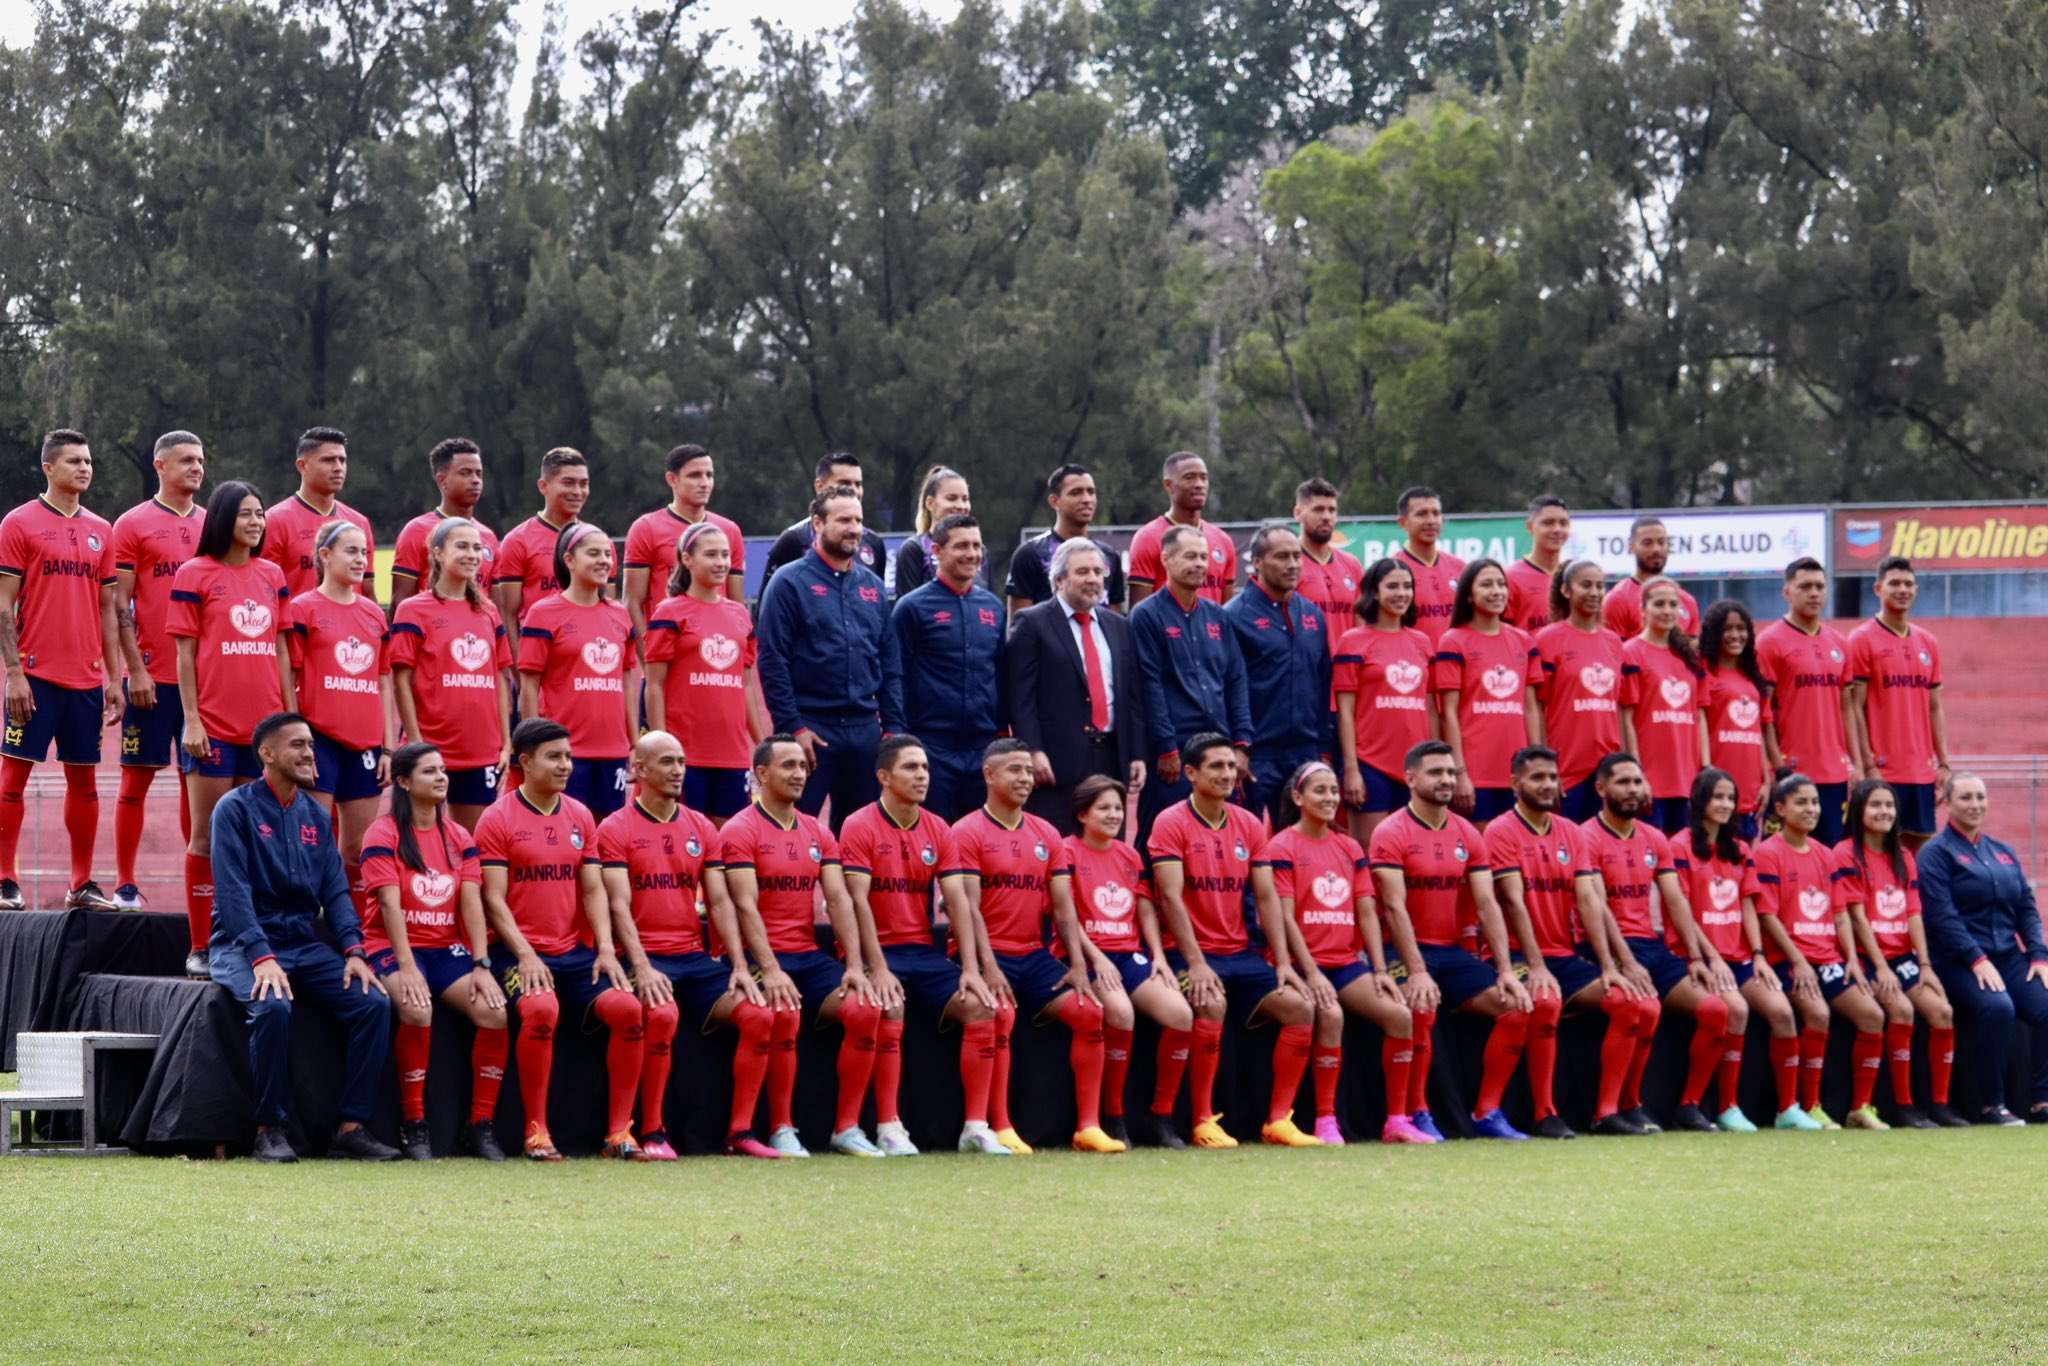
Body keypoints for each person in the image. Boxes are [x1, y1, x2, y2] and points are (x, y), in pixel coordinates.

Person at [207, 711, 397, 1162]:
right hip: (242, 944)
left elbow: (335, 889)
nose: (309, 752)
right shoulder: (233, 809)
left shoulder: (315, 813)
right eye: (297, 745)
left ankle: (351, 1126)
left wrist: (353, 950)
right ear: (267, 754)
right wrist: (260, 956)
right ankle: (268, 1127)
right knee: (273, 1007)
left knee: (373, 1003)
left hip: (303, 943)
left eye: (310, 744)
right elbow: (232, 897)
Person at [476, 718, 659, 1162]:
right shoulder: (496, 818)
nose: (566, 765)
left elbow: (593, 889)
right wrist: (524, 954)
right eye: (555, 757)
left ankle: (619, 1132)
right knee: (541, 1008)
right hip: (514, 953)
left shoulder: (579, 816)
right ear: (524, 761)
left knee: (629, 1009)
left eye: (569, 756)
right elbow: (493, 900)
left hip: (573, 953)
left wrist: (604, 949)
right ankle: (537, 1131)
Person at [720, 735, 906, 1158]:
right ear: (762, 774)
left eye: (803, 766)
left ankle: (846, 1128)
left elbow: (839, 900)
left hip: (806, 953)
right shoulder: (739, 829)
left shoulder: (817, 831)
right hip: (759, 956)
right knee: (783, 1012)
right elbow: (743, 905)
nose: (799, 774)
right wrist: (768, 968)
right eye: (788, 766)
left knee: (866, 1008)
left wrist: (855, 965)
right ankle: (782, 1128)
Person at [831, 736, 1009, 1156]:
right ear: (884, 776)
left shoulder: (938, 828)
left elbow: (961, 902)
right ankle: (890, 1126)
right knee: (888, 1006)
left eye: (925, 768)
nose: (922, 776)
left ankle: (975, 1128)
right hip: (879, 951)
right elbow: (856, 902)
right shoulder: (858, 825)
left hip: (923, 952)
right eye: (911, 768)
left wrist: (970, 968)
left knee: (982, 1007)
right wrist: (876, 968)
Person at [954, 740, 1129, 1153]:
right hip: (988, 954)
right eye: (1014, 770)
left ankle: (1088, 1127)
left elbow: (1064, 909)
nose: (1024, 779)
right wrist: (987, 966)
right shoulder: (965, 831)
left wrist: (1079, 965)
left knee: (1090, 1013)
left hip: (1034, 956)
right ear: (988, 774)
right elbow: (969, 908)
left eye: (1029, 771)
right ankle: (999, 1126)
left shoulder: (1046, 833)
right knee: (1000, 1014)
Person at [597, 731, 763, 1161]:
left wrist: (739, 966)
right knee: (663, 1014)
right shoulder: (614, 828)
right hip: (643, 958)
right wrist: (643, 967)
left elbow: (721, 901)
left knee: (761, 1017)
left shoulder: (700, 826)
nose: (677, 770)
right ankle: (651, 1129)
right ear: (639, 770)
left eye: (682, 762)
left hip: (693, 958)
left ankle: (740, 1133)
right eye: (667, 761)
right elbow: (617, 904)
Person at [1148, 734, 1318, 1147]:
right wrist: (1195, 962)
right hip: (1187, 955)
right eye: (1216, 767)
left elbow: (1266, 896)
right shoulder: (1170, 821)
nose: (1228, 774)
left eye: (1231, 766)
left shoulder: (1246, 822)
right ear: (1190, 773)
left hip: (1241, 953)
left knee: (1301, 1007)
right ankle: (1203, 1120)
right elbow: (1169, 896)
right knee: (1211, 1001)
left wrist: (1281, 961)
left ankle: (1278, 1121)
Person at [1368, 739, 1536, 1141]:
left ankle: (1487, 1112)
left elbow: (1487, 905)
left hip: (1449, 952)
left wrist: (1505, 970)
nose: (1446, 780)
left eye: (1452, 773)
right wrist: (1417, 971)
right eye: (1436, 772)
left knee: (1517, 1005)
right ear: (1410, 779)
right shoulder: (1389, 832)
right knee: (1421, 1006)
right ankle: (1417, 1112)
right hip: (1402, 950)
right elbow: (1393, 907)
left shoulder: (1466, 833)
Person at [1581, 752, 1748, 1134]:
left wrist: (1695, 957)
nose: (1633, 790)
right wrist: (1624, 961)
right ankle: (1612, 1110)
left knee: (1715, 1010)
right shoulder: (1585, 836)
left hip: (1652, 948)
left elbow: (1676, 901)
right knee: (1648, 1009)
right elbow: (1596, 905)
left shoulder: (1654, 837)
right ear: (1601, 788)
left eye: (1638, 782)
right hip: (1605, 945)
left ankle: (1689, 1107)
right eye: (1623, 782)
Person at [1256, 762, 1422, 1145]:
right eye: (1320, 791)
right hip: (1301, 966)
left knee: (1399, 1015)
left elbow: (1366, 911)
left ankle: (1396, 1121)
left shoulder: (1349, 846)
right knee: (1329, 1014)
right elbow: (1284, 917)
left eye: (1334, 790)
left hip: (1346, 964)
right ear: (1298, 797)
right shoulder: (1282, 846)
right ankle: (1325, 1120)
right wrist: (1311, 972)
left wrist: (1379, 969)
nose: (1330, 798)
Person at [1485, 746, 1646, 1139]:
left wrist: (1610, 966)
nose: (1547, 785)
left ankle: (1607, 1113)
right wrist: (1536, 965)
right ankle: (1543, 1113)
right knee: (1544, 1001)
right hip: (1516, 955)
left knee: (1633, 1004)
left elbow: (1591, 900)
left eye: (1553, 778)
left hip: (1564, 956)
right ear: (1514, 783)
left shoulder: (1570, 832)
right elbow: (1512, 899)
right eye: (1537, 777)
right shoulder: (1499, 830)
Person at [360, 742, 509, 1162]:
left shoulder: (460, 836)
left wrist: (481, 964)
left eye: (443, 770)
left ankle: (480, 1125)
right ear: (403, 782)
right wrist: (407, 968)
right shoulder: (383, 832)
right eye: (430, 772)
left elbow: (471, 902)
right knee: (418, 1009)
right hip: (391, 946)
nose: (442, 777)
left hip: (445, 950)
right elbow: (388, 905)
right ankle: (414, 1123)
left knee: (495, 1012)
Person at [169, 481, 294, 977]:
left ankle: (248, 943)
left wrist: (289, 718)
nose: (257, 522)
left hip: (262, 734)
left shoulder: (272, 575)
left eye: (260, 514)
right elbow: (183, 656)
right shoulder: (193, 574)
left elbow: (282, 650)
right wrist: (193, 719)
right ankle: (200, 946)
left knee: (255, 842)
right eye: (246, 514)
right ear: (223, 518)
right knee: (206, 839)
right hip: (213, 730)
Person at [0, 428, 122, 912]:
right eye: (74, 461)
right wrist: (13, 672)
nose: (84, 468)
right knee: (13, 778)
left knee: (85, 781)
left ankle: (81, 884)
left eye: (88, 461)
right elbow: (3, 605)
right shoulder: (19, 524)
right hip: (34, 676)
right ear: (48, 468)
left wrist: (114, 678)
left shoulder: (102, 530)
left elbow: (109, 608)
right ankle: (5, 878)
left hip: (87, 681)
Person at [1063, 775, 1195, 1149]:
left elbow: (1145, 910)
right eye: (1104, 808)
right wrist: (1096, 957)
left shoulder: (1129, 855)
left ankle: (1162, 1116)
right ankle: (1113, 1116)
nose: (1114, 815)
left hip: (1129, 954)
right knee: (1120, 1013)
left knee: (1180, 1015)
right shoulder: (1067, 851)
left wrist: (1158, 958)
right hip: (1089, 955)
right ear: (1082, 814)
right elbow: (1065, 915)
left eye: (1119, 808)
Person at [1752, 769, 1886, 1130]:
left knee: (1873, 1015)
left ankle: (1861, 1108)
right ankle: (1803, 1108)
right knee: (1818, 1014)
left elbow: (1840, 914)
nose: (1811, 809)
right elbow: (1766, 915)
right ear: (1779, 809)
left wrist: (1853, 961)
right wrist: (1797, 960)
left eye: (1814, 802)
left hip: (1828, 958)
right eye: (1801, 802)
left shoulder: (1827, 855)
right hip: (1788, 959)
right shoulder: (1767, 853)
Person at [755, 484, 890, 831]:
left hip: (864, 732)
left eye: (858, 520)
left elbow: (890, 665)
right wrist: (793, 727)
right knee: (791, 835)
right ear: (817, 523)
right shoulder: (788, 583)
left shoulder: (873, 587)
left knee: (861, 842)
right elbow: (773, 661)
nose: (854, 528)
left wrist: (893, 730)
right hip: (810, 728)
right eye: (843, 519)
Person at [1673, 767, 1802, 1131]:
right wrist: (1710, 957)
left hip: (1740, 958)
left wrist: (1758, 954)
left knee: (1782, 1013)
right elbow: (1680, 908)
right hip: (1696, 957)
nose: (1725, 804)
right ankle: (1726, 1107)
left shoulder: (1741, 849)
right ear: (1699, 801)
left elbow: (1748, 904)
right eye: (1717, 796)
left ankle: (1787, 1109)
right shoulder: (1679, 846)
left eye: (1730, 797)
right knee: (1737, 1010)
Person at [1917, 772, 2048, 1126]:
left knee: (2045, 1005)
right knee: (1998, 1007)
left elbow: (2026, 907)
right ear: (1947, 803)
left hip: (2006, 957)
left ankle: (2041, 1101)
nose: (1975, 805)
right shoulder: (1935, 853)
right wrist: (1975, 958)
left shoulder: (2002, 852)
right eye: (1966, 798)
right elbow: (1942, 916)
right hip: (1956, 960)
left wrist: (2038, 955)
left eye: (1980, 797)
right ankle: (1992, 1105)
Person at [110, 430, 206, 908]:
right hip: (152, 678)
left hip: (204, 685)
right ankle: (126, 884)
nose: (197, 468)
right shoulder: (132, 524)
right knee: (135, 781)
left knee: (200, 790)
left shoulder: (214, 524)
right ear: (160, 465)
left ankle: (204, 891)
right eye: (187, 459)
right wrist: (135, 670)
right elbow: (119, 604)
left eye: (201, 460)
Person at [1837, 778, 1961, 1129]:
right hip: (1866, 957)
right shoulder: (1845, 853)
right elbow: (1856, 916)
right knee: (1901, 1009)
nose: (1884, 812)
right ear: (1859, 810)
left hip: (1902, 958)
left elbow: (1913, 914)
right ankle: (1902, 1106)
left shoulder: (1904, 855)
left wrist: (1925, 964)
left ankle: (1939, 1105)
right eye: (1876, 805)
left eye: (1889, 806)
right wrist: (1879, 967)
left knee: (1941, 1011)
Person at [1005, 539, 1146, 833]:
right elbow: (1020, 696)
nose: (1093, 579)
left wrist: (1136, 754)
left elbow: (1131, 697)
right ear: (1058, 580)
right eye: (1082, 572)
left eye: (1098, 572)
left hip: (1111, 756)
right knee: (1057, 843)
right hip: (1056, 762)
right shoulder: (1032, 623)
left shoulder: (1119, 625)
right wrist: (1032, 750)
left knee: (1107, 844)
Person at [285, 521, 394, 894]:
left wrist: (387, 747)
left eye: (364, 552)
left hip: (365, 745)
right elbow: (290, 675)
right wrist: (296, 739)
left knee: (356, 849)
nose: (361, 559)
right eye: (351, 551)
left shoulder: (374, 614)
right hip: (320, 740)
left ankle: (356, 934)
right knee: (312, 843)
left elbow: (382, 680)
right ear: (325, 555)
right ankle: (310, 927)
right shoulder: (303, 610)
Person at [390, 518, 515, 835]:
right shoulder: (414, 610)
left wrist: (504, 743)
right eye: (461, 546)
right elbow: (401, 679)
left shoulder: (488, 612)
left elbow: (501, 677)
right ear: (437, 554)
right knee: (425, 844)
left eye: (477, 548)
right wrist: (416, 741)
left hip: (480, 750)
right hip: (431, 749)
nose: (472, 554)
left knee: (473, 846)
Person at [1130, 524, 1250, 839]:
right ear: (1166, 559)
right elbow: (1149, 684)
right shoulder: (1146, 615)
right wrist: (1166, 747)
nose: (1199, 564)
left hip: (1217, 744)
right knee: (1162, 835)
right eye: (1190, 556)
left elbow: (1236, 680)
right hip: (1175, 751)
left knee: (1215, 835)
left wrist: (1241, 743)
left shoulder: (1218, 616)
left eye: (1203, 557)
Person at [884, 514, 1006, 821]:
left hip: (982, 747)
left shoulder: (993, 607)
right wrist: (897, 732)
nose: (972, 554)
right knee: (931, 838)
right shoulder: (911, 608)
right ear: (936, 551)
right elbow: (895, 675)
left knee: (978, 842)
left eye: (977, 546)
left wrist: (1002, 730)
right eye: (961, 545)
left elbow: (1001, 673)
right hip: (931, 746)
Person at [643, 522, 765, 824]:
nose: (721, 562)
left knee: (727, 847)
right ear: (687, 559)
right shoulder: (669, 612)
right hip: (685, 755)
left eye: (725, 555)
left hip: (732, 755)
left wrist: (762, 744)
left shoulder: (739, 616)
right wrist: (661, 745)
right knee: (686, 841)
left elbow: (746, 685)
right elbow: (654, 684)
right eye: (711, 555)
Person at [517, 524, 637, 820]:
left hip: (613, 753)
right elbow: (529, 686)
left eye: (608, 554)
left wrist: (633, 744)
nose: (604, 561)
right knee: (564, 835)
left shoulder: (620, 615)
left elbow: (627, 683)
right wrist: (534, 745)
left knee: (608, 839)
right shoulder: (543, 614)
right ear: (569, 560)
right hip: (565, 753)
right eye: (593, 553)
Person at [1223, 524, 1334, 824]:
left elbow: (1323, 684)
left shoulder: (1312, 615)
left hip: (1305, 750)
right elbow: (1228, 689)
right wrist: (1239, 747)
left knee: (1304, 840)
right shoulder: (1233, 615)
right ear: (1257, 562)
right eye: (1282, 557)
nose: (1293, 564)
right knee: (1250, 839)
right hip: (1258, 754)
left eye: (1297, 557)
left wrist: (1323, 746)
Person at [1757, 558, 1861, 845]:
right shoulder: (1769, 643)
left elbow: (1846, 707)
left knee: (1831, 857)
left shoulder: (1840, 643)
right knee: (1781, 859)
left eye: (1819, 586)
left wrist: (1856, 764)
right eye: (1805, 586)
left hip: (1834, 774)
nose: (1814, 593)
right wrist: (1777, 766)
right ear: (1787, 592)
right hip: (1790, 773)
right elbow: (1762, 713)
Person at [1846, 557, 1949, 850]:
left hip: (1921, 771)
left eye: (1907, 584)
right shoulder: (1862, 639)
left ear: (1916, 590)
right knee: (1878, 849)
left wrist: (1943, 763)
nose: (1902, 589)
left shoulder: (1927, 642)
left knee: (1920, 851)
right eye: (1894, 583)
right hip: (1883, 770)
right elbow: (1855, 708)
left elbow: (1934, 707)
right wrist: (1867, 764)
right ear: (1878, 588)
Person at [1333, 557, 1436, 845]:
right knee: (1372, 855)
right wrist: (1351, 769)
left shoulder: (1422, 642)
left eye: (1407, 586)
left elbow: (1430, 707)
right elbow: (1345, 710)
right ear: (1374, 592)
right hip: (1370, 764)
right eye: (1392, 586)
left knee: (1416, 854)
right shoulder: (1352, 641)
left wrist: (1439, 759)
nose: (1401, 593)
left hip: (1417, 766)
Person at [1434, 558, 1538, 823]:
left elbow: (1530, 708)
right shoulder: (1453, 641)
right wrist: (1459, 772)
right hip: (1476, 772)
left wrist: (1536, 765)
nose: (1497, 591)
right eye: (1487, 585)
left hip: (1517, 772)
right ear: (1469, 595)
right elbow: (1449, 713)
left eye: (1501, 584)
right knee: (1481, 855)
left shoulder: (1523, 641)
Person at [622, 445, 745, 659]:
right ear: (672, 479)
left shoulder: (730, 530)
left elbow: (736, 603)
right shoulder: (646, 528)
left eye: (709, 475)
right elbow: (632, 602)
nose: (705, 483)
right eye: (695, 475)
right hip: (669, 655)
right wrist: (650, 660)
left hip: (717, 655)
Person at [1532, 559, 1624, 821]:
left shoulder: (1614, 642)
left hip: (1607, 771)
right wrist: (1546, 766)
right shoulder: (1548, 639)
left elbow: (1617, 706)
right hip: (1566, 769)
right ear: (1566, 590)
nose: (1595, 592)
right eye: (1586, 585)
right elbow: (1538, 706)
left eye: (1599, 586)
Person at [1618, 577, 1708, 834]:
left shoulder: (1691, 657)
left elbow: (1699, 714)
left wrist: (1704, 767)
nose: (1667, 611)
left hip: (1686, 779)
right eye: (1659, 604)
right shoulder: (1631, 652)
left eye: (1673, 605)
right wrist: (1636, 772)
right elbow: (1626, 716)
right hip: (1650, 778)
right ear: (1643, 610)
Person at [260, 428, 374, 600]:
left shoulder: (358, 523)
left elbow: (367, 591)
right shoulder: (275, 521)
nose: (338, 468)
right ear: (302, 465)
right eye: (328, 460)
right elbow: (264, 591)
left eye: (342, 460)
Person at [388, 438, 499, 613]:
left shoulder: (488, 536)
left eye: (479, 473)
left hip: (478, 637)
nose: (475, 480)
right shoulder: (416, 530)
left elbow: (495, 606)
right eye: (465, 473)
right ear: (442, 480)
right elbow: (400, 602)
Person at [493, 447, 592, 630]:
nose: (578, 491)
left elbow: (605, 607)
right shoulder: (517, 540)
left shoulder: (597, 542)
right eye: (568, 483)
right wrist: (519, 659)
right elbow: (508, 616)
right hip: (538, 653)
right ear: (543, 486)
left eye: (583, 484)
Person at [1007, 465, 1126, 616]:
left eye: (1091, 492)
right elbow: (1018, 629)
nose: (1087, 499)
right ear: (1054, 501)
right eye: (1076, 493)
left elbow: (1114, 624)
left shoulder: (1108, 556)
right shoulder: (1030, 554)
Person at [759, 452, 888, 588]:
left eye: (858, 484)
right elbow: (767, 605)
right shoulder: (793, 540)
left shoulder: (874, 543)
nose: (854, 490)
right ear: (819, 486)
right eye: (844, 483)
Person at [1699, 600, 1773, 837]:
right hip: (1716, 792)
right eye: (1727, 629)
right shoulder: (1703, 672)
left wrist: (1766, 781)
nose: (1735, 635)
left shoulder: (1752, 678)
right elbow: (1698, 725)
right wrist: (1706, 771)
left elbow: (1758, 732)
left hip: (1751, 793)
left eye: (1741, 628)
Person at [1127, 451, 1235, 607]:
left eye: (1203, 478)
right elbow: (1139, 614)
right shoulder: (1148, 538)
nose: (1199, 484)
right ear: (1168, 484)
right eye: (1189, 477)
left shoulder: (1223, 541)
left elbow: (1227, 613)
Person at [1601, 516, 1700, 639]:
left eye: (1661, 542)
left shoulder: (1687, 601)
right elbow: (1612, 652)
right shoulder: (1618, 599)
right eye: (1647, 543)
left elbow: (1692, 653)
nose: (1656, 549)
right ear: (1631, 546)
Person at [1291, 477, 1361, 649]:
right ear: (1298, 513)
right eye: (1318, 509)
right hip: (1304, 671)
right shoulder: (1287, 563)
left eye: (1332, 510)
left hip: (1345, 669)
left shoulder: (1352, 565)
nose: (1326, 517)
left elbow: (1361, 625)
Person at [1392, 486, 1464, 646]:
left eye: (1436, 513)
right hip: (1412, 666)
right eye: (1421, 514)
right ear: (1403, 522)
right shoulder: (1391, 571)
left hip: (1455, 665)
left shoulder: (1460, 568)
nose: (1431, 521)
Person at [892, 465, 973, 600]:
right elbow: (907, 611)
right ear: (930, 503)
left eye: (965, 499)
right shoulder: (914, 549)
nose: (960, 506)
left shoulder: (979, 552)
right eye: (952, 498)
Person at [1505, 496, 1571, 634]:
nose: (1557, 529)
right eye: (1548, 523)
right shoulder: (1510, 577)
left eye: (1563, 523)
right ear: (1529, 527)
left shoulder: (1572, 576)